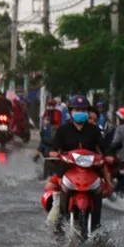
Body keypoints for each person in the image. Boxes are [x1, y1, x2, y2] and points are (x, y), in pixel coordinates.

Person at [45, 94, 112, 231]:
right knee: (52, 188)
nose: (80, 112)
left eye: (83, 110)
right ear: (71, 112)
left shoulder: (94, 130)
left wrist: (109, 156)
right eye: (77, 110)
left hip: (90, 172)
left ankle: (96, 227)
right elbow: (53, 149)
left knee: (99, 191)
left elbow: (105, 148)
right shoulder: (63, 130)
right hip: (68, 170)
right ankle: (60, 222)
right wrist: (54, 154)